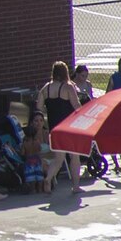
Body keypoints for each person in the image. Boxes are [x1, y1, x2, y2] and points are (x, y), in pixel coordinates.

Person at [38, 61, 83, 192]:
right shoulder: (68, 87)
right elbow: (76, 106)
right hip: (69, 126)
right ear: (65, 73)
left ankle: (48, 178)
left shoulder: (45, 88)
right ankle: (75, 186)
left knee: (59, 158)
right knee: (74, 156)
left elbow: (39, 108)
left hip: (54, 127)